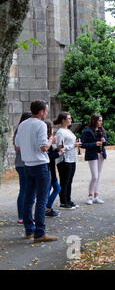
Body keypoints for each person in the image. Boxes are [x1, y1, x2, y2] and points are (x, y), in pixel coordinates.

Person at [15, 100, 58, 242]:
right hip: (40, 165)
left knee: (28, 198)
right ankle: (40, 233)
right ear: (41, 112)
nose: (46, 113)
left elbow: (18, 145)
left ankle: (29, 230)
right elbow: (43, 147)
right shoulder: (40, 125)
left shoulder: (22, 124)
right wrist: (51, 140)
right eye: (46, 111)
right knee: (42, 199)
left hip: (27, 165)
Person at [54, 112, 81, 209]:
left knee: (69, 180)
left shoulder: (68, 131)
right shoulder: (60, 132)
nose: (71, 120)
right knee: (64, 181)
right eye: (69, 118)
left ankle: (68, 200)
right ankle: (63, 202)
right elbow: (59, 147)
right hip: (64, 159)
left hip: (72, 158)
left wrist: (76, 143)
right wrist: (73, 145)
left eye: (70, 118)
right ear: (63, 120)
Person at [81, 114, 108, 205]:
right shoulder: (87, 131)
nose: (101, 122)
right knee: (95, 176)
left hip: (101, 154)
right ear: (94, 121)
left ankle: (96, 196)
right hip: (92, 155)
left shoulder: (101, 130)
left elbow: (106, 143)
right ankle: (90, 196)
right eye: (99, 120)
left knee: (98, 176)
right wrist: (94, 144)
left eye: (101, 120)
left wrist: (104, 141)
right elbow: (83, 144)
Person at [13, 112, 32, 224]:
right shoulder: (19, 134)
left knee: (27, 190)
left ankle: (26, 215)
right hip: (22, 164)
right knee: (24, 190)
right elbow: (19, 148)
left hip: (25, 163)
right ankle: (21, 217)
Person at [44, 121, 61, 217]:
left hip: (51, 169)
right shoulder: (46, 140)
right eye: (52, 128)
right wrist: (59, 153)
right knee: (56, 188)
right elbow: (48, 156)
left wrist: (57, 150)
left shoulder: (49, 140)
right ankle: (47, 207)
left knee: (51, 188)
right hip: (48, 169)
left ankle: (47, 208)